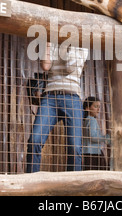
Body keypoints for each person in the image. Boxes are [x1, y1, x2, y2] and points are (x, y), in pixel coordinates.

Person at [26, 42, 88, 172]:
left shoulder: (81, 43)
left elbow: (70, 67)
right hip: (50, 97)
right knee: (34, 140)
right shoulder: (52, 42)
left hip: (72, 97)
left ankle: (74, 187)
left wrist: (68, 44)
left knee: (75, 147)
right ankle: (31, 180)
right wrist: (48, 43)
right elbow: (45, 66)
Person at [82, 96, 110, 170]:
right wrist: (105, 138)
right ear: (87, 108)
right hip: (94, 152)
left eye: (99, 107)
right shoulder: (92, 120)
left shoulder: (85, 120)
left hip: (87, 152)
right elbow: (93, 137)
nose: (98, 110)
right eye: (95, 106)